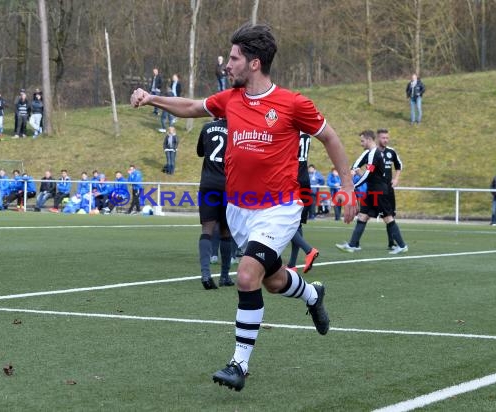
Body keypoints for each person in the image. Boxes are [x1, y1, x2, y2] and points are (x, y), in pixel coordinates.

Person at [131, 22, 357, 392]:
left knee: (248, 276)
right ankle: (313, 295)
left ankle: (239, 364)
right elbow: (190, 106)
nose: (228, 64)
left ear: (254, 63)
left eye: (234, 58)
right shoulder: (229, 99)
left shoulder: (292, 103)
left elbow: (329, 137)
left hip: (280, 208)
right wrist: (151, 98)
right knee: (272, 280)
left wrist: (347, 186)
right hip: (239, 210)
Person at [336, 130, 408, 255]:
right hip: (371, 190)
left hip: (380, 191)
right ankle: (353, 245)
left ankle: (402, 245)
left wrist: (354, 185)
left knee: (388, 217)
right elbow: (358, 166)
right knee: (363, 215)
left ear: (369, 140)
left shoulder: (375, 154)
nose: (361, 143)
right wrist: (352, 173)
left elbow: (368, 174)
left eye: (362, 141)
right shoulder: (370, 153)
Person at [196, 118, 234, 289]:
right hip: (228, 186)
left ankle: (205, 274)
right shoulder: (236, 130)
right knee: (226, 231)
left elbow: (200, 152)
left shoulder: (207, 127)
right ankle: (225, 276)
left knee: (207, 230)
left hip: (207, 185)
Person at [287, 132, 319, 273]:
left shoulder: (290, 130)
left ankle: (308, 250)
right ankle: (292, 265)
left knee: (282, 221)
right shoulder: (306, 134)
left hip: (292, 180)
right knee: (297, 223)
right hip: (304, 178)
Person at [377, 128, 403, 249]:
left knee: (390, 215)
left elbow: (399, 166)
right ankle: (354, 243)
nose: (386, 140)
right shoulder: (373, 152)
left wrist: (396, 179)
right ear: (378, 138)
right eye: (383, 138)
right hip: (376, 189)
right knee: (364, 215)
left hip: (389, 189)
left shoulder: (391, 152)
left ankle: (391, 243)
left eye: (387, 138)